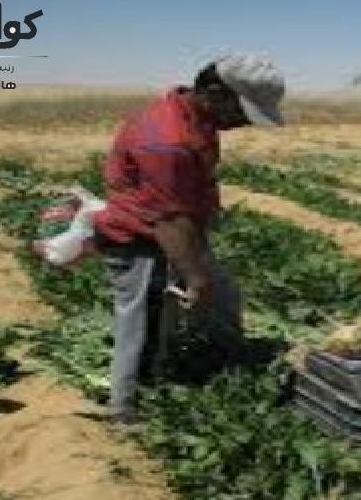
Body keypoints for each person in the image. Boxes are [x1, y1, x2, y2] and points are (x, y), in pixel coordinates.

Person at [92, 53, 285, 425]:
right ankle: (125, 409)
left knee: (220, 296)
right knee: (143, 321)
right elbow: (167, 219)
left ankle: (208, 362)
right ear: (215, 93)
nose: (244, 123)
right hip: (143, 238)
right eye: (243, 112)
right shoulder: (166, 140)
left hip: (180, 232)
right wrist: (194, 276)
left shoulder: (198, 115)